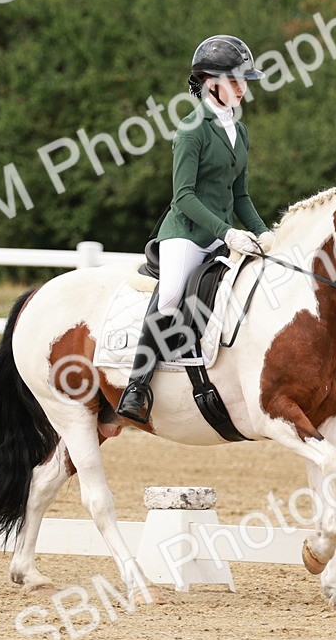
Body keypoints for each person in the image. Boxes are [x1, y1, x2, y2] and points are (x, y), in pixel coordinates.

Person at [116, 35, 275, 423]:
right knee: (171, 294)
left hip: (223, 235)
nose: (242, 88)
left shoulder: (241, 131)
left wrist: (265, 232)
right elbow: (183, 196)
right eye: (235, 80)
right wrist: (227, 233)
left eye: (244, 81)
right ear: (209, 81)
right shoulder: (192, 131)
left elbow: (241, 196)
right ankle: (137, 387)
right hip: (186, 233)